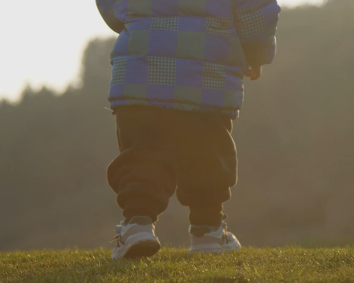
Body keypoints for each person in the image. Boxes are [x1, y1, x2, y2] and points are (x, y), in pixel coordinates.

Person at [97, 0, 281, 259]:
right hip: (206, 77)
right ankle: (208, 232)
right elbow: (256, 11)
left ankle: (137, 226)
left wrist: (134, 22)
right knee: (207, 156)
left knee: (142, 155)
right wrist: (256, 53)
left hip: (142, 73)